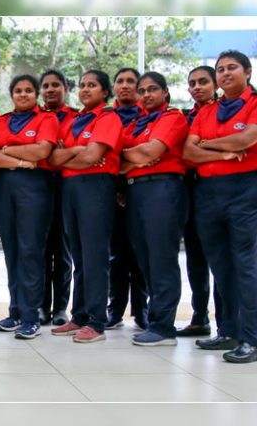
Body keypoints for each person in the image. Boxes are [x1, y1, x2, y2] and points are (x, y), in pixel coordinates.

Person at [183, 50, 257, 363]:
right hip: (209, 191)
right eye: (221, 69)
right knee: (220, 264)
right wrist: (222, 153)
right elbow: (188, 151)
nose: (225, 73)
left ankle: (252, 340)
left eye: (232, 68)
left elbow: (247, 140)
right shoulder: (208, 110)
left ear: (248, 72)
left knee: (244, 262)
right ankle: (228, 331)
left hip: (246, 187)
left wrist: (208, 144)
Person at [49, 69, 123, 343]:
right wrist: (77, 153)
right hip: (71, 189)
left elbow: (92, 156)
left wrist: (76, 155)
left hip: (96, 187)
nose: (85, 90)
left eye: (92, 85)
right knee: (78, 254)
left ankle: (97, 321)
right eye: (82, 85)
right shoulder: (73, 120)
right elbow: (53, 158)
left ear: (105, 92)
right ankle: (79, 315)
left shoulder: (108, 118)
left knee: (95, 255)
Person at [0, 74, 59, 339]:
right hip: (5, 188)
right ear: (11, 94)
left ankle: (31, 315)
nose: (23, 94)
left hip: (34, 188)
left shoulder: (46, 119)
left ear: (36, 93)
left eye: (29, 90)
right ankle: (15, 310)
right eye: (18, 90)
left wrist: (6, 149)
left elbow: (41, 151)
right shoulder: (1, 121)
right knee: (12, 251)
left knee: (30, 250)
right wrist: (19, 159)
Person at [121, 71, 189, 346]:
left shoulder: (172, 117)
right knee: (145, 257)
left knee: (162, 257)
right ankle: (155, 318)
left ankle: (164, 326)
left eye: (152, 89)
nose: (146, 95)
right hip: (136, 190)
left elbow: (151, 151)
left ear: (165, 93)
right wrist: (139, 157)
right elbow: (120, 159)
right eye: (142, 90)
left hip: (164, 188)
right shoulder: (135, 123)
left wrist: (141, 155)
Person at [177, 65, 219, 338]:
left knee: (219, 258)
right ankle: (199, 316)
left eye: (203, 81)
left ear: (215, 84)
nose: (197, 87)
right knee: (195, 258)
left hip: (217, 188)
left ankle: (228, 322)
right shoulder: (185, 116)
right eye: (192, 83)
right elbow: (185, 152)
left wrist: (202, 148)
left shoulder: (223, 113)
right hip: (189, 189)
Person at [106, 68, 149, 330]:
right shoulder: (105, 117)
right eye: (120, 81)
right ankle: (115, 309)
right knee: (117, 256)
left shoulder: (150, 117)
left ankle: (142, 310)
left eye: (131, 82)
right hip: (110, 193)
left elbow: (147, 154)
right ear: (113, 88)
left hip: (142, 193)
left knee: (140, 254)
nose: (125, 86)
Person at [39, 69, 77, 326]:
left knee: (62, 251)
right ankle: (40, 306)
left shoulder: (76, 118)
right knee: (39, 249)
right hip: (39, 186)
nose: (50, 89)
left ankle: (61, 307)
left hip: (66, 186)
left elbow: (76, 149)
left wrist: (64, 151)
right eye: (46, 86)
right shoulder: (34, 117)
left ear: (65, 88)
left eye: (55, 85)